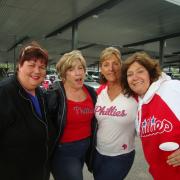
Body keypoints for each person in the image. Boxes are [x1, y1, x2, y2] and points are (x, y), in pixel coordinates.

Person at [0, 41, 58, 180]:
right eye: (31, 65)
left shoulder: (39, 93)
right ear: (19, 66)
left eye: (42, 67)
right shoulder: (5, 92)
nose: (37, 71)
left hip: (39, 172)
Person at [121, 51, 180, 180]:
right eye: (129, 74)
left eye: (140, 71)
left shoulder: (172, 88)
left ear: (150, 73)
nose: (134, 77)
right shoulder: (139, 108)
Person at [46, 50, 97, 180]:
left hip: (85, 149)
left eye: (81, 68)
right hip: (64, 152)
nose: (78, 72)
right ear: (64, 74)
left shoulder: (90, 91)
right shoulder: (55, 94)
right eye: (71, 69)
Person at [93, 47, 138, 180]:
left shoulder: (134, 92)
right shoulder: (98, 92)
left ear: (121, 66)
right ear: (101, 69)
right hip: (98, 153)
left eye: (115, 64)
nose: (110, 68)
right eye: (106, 65)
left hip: (121, 155)